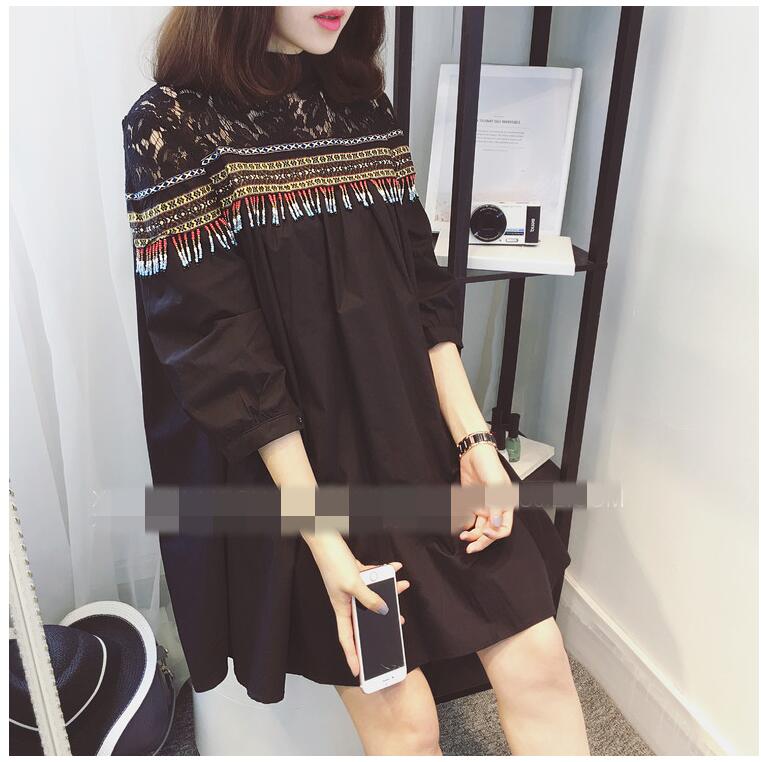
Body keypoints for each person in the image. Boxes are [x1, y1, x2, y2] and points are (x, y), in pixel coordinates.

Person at [122, 6, 589, 755]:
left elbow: (423, 294)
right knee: (406, 721)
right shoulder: (171, 126)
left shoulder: (360, 103)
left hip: (414, 439)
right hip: (299, 483)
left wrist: (476, 445)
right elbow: (225, 357)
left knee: (539, 662)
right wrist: (329, 548)